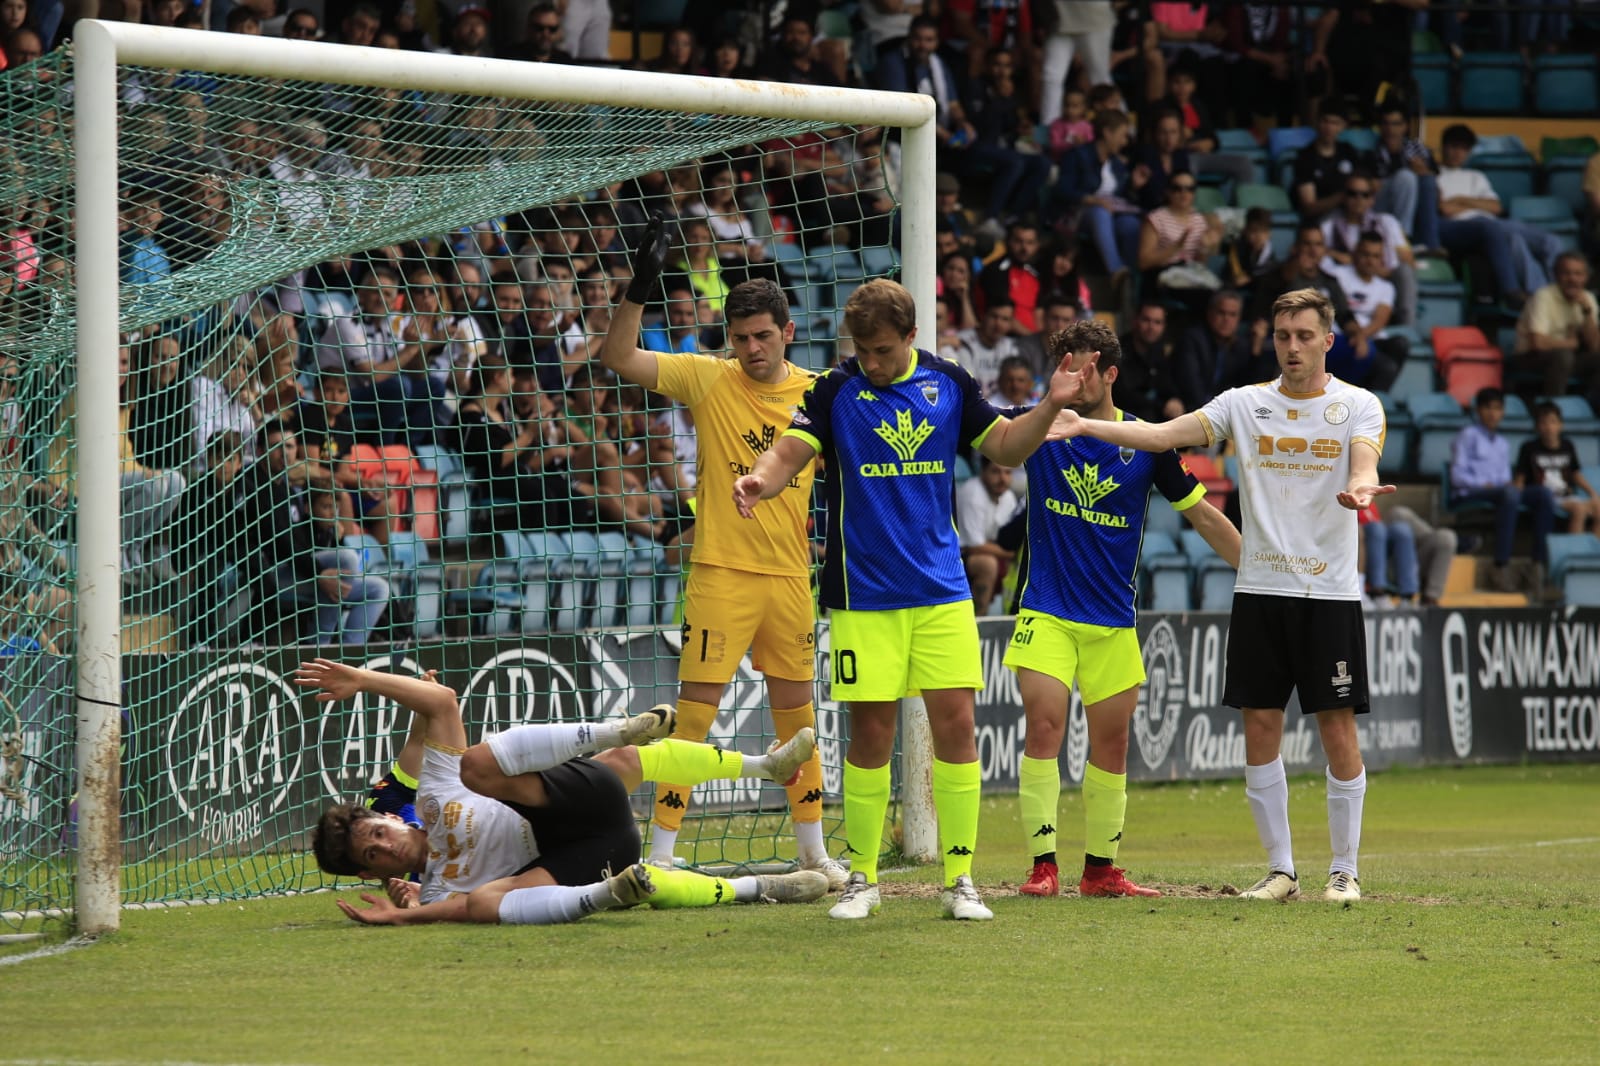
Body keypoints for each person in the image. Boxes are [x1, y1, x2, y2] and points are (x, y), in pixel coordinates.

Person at [733, 278, 1083, 922]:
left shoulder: (948, 381)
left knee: (956, 729)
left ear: (912, 338)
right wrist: (762, 479)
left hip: (941, 591)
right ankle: (862, 878)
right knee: (870, 735)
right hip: (863, 596)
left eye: (884, 350)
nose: (872, 362)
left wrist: (1048, 405)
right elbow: (791, 449)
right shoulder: (836, 388)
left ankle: (961, 880)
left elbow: (1004, 445)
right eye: (863, 350)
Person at [1048, 287, 1391, 904]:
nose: (1292, 346)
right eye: (1283, 335)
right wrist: (1084, 424)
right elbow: (1160, 436)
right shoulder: (1243, 404)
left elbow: (1364, 462)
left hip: (1329, 594)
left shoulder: (1358, 405)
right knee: (1261, 727)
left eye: (1304, 335)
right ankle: (1281, 871)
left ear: (1327, 341)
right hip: (1260, 588)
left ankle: (1345, 869)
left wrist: (1362, 488)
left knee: (1337, 729)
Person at [600, 222, 841, 886]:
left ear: (788, 332)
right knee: (694, 721)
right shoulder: (709, 380)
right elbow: (618, 358)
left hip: (791, 578)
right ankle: (664, 855)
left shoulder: (821, 393)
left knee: (799, 722)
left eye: (763, 335)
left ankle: (814, 855)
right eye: (740, 338)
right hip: (719, 576)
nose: (752, 348)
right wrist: (641, 289)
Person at [303, 660, 828, 926]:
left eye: (378, 832)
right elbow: (466, 910)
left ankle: (759, 764)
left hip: (575, 803)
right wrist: (405, 912)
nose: (385, 846)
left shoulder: (432, 797)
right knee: (489, 902)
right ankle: (758, 888)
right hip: (585, 861)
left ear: (393, 819)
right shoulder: (437, 893)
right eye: (371, 855)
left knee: (482, 765)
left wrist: (361, 679)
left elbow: (440, 702)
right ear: (372, 872)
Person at [1004, 319, 1240, 898]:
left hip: (1112, 618)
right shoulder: (1039, 430)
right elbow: (990, 439)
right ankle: (1042, 866)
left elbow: (1203, 515)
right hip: (1046, 607)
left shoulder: (1147, 444)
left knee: (1112, 744)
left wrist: (1262, 570)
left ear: (1109, 374)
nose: (1073, 378)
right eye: (1064, 366)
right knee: (1045, 726)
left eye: (1083, 368)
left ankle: (1100, 871)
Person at [1450, 387, 1555, 594]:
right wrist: (1483, 483)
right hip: (1470, 492)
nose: (1493, 413)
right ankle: (1500, 565)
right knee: (1510, 494)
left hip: (1501, 493)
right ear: (1478, 410)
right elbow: (1457, 477)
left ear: (1503, 412)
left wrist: (1509, 484)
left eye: (1497, 408)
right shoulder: (1467, 435)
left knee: (1543, 494)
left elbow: (1505, 479)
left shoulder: (1502, 443)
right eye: (1488, 408)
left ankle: (1538, 565)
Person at [1512, 252, 1600, 400]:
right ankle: (1553, 408)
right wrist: (1570, 343)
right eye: (1566, 273)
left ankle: (1594, 410)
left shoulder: (1588, 299)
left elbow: (1595, 346)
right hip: (1529, 357)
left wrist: (1587, 312)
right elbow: (1538, 343)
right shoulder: (1543, 297)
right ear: (1556, 275)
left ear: (1586, 277)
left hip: (1568, 358)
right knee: (1563, 356)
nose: (1572, 279)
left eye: (1578, 274)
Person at [1518, 401, 1599, 536]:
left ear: (1561, 425)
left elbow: (1575, 474)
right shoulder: (1529, 448)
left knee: (1598, 507)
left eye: (1553, 422)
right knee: (1579, 509)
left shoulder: (1568, 445)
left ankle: (1594, 550)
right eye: (1544, 423)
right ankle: (1575, 549)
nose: (1549, 427)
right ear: (1537, 427)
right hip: (1545, 497)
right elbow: (1520, 477)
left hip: (1566, 495)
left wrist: (1592, 493)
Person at [956, 455, 1021, 616]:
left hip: (990, 548)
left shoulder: (1008, 497)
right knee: (987, 563)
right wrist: (1012, 554)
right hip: (959, 555)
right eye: (995, 472)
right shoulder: (972, 493)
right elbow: (974, 546)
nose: (1002, 479)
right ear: (983, 471)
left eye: (1007, 473)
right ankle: (980, 621)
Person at [1359, 504, 1460, 607]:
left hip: (1406, 566)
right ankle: (1378, 591)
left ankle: (1421, 598)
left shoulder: (1370, 503)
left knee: (1444, 538)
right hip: (1372, 570)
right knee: (1386, 524)